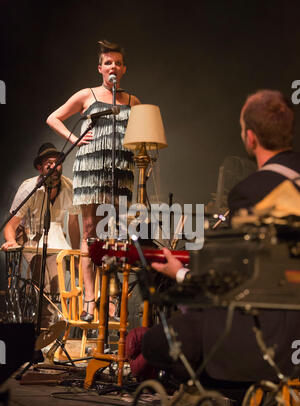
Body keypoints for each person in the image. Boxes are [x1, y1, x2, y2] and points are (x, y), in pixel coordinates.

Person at [141, 89, 300, 384]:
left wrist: (181, 275)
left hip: (269, 336)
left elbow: (234, 280)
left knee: (157, 341)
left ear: (250, 138)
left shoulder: (251, 191)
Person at [46, 40, 140, 322]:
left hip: (119, 171)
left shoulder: (132, 101)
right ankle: (90, 299)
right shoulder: (86, 95)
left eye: (118, 62)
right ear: (100, 68)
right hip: (90, 168)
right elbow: (54, 117)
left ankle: (109, 298)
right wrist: (75, 139)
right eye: (108, 62)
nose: (113, 66)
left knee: (115, 234)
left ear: (124, 69)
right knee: (90, 232)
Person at [2, 142, 81, 328]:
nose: (54, 167)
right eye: (49, 163)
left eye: (58, 162)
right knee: (43, 278)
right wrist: (11, 241)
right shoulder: (29, 188)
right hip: (31, 237)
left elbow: (73, 224)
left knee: (56, 280)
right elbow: (10, 225)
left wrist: (77, 253)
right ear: (40, 167)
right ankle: (44, 326)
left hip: (56, 238)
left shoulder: (69, 187)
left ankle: (51, 324)